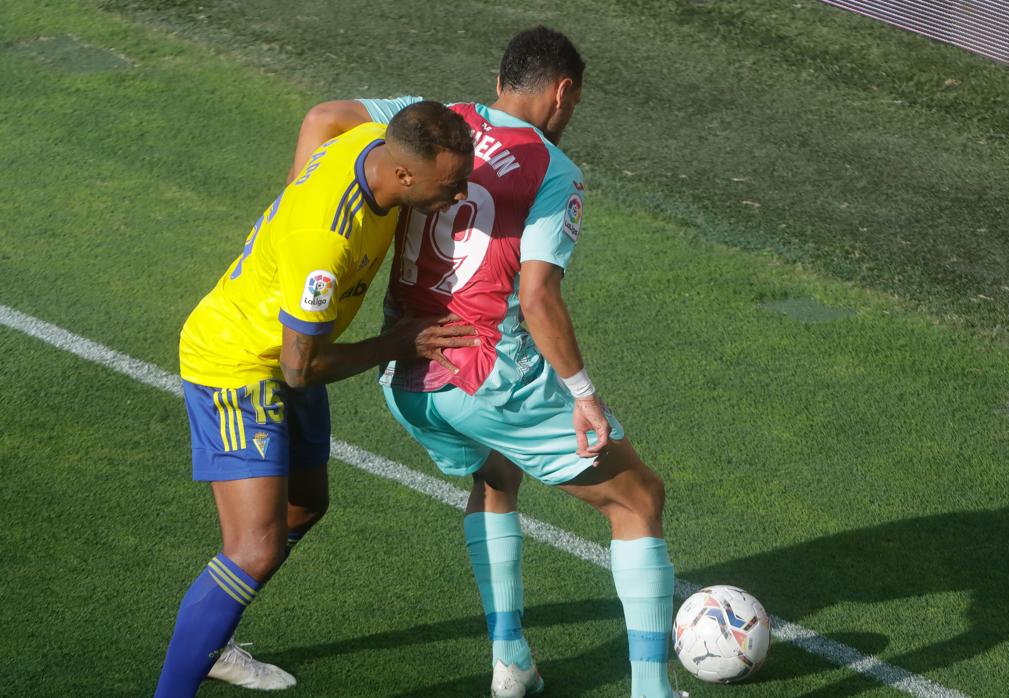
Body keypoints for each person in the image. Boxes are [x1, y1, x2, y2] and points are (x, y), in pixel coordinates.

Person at [290, 27, 684, 698]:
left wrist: (303, 212)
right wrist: (583, 394)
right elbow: (536, 297)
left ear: (501, 79)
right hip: (489, 379)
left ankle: (510, 662)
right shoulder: (554, 171)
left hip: (407, 376)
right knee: (637, 497)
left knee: (495, 476)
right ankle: (650, 692)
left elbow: (325, 118)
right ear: (563, 92)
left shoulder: (433, 120)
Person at [155, 102, 479, 696]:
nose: (459, 196)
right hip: (241, 364)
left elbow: (326, 116)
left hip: (295, 346)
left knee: (304, 505)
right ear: (405, 176)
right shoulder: (325, 243)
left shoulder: (367, 141)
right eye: (451, 184)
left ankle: (213, 634)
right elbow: (300, 370)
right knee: (253, 548)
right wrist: (394, 344)